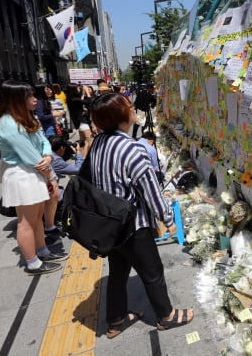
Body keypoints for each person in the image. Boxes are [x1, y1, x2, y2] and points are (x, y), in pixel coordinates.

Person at [87, 92, 193, 338]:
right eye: (128, 106)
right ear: (121, 116)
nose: (133, 108)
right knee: (153, 272)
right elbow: (150, 191)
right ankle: (166, 316)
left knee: (118, 272)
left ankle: (116, 320)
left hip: (109, 224)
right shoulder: (133, 150)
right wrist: (169, 220)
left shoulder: (99, 143)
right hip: (133, 225)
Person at [0, 80, 67, 275]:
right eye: (30, 96)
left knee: (36, 217)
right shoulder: (8, 124)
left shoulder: (26, 116)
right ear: (16, 100)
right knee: (26, 221)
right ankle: (33, 263)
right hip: (22, 174)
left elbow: (43, 141)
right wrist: (51, 177)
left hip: (34, 173)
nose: (35, 99)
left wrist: (49, 155)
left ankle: (42, 251)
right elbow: (30, 156)